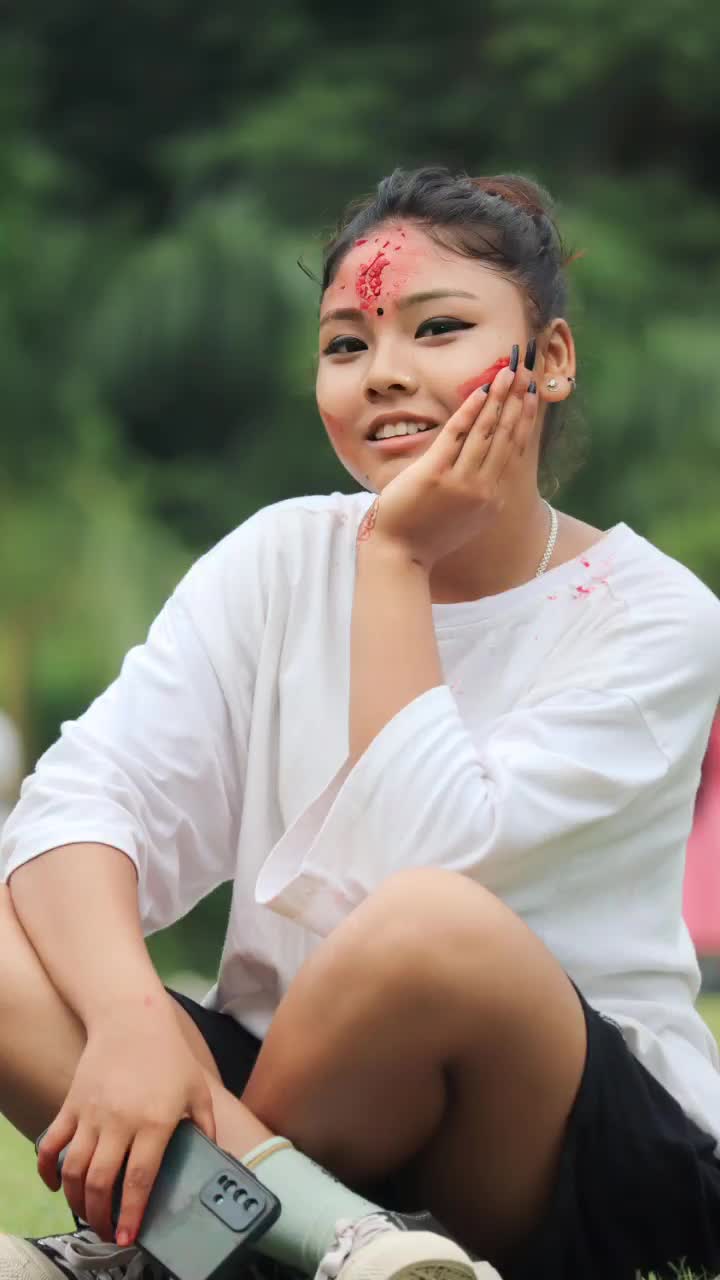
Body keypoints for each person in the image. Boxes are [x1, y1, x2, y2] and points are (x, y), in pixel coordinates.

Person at [1, 166, 720, 1280]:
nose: (384, 371)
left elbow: (423, 876)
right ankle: (316, 1237)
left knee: (427, 928)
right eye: (347, 344)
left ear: (551, 358)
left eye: (438, 329)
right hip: (288, 1113)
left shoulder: (653, 615)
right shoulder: (279, 558)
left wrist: (397, 561)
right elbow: (79, 806)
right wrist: (133, 1016)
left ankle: (181, 1252)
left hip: (543, 1144)